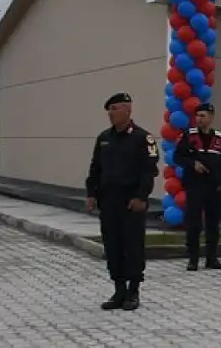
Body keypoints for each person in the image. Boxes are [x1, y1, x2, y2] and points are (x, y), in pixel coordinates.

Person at [84, 92, 159, 311]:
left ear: (128, 109)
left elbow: (149, 171)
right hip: (109, 202)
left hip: (131, 202)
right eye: (109, 109)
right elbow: (95, 169)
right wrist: (91, 194)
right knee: (113, 245)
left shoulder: (143, 138)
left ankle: (133, 291)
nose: (111, 113)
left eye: (115, 108)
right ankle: (119, 289)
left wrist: (141, 197)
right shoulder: (104, 138)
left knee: (133, 246)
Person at [174, 103, 221, 271]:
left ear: (211, 117)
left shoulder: (220, 138)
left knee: (213, 223)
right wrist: (193, 163)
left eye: (203, 116)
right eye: (197, 116)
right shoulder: (189, 135)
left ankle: (211, 258)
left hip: (214, 187)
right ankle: (193, 258)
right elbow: (178, 156)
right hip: (195, 185)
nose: (199, 119)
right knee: (194, 223)